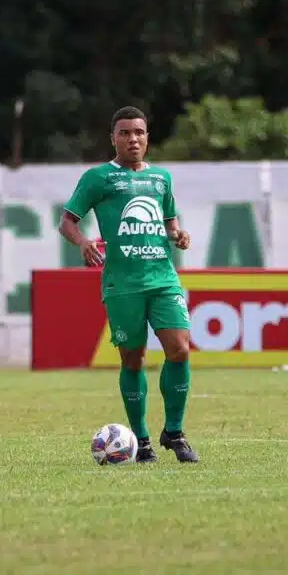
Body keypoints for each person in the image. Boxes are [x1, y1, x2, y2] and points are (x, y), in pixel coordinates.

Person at [58, 106, 199, 463]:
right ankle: (143, 441)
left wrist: (178, 235)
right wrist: (83, 242)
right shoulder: (98, 178)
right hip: (123, 284)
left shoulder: (161, 178)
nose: (132, 139)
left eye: (139, 132)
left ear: (147, 137)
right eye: (125, 133)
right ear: (113, 138)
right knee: (133, 359)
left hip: (163, 278)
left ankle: (175, 432)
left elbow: (169, 223)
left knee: (180, 348)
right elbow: (67, 222)